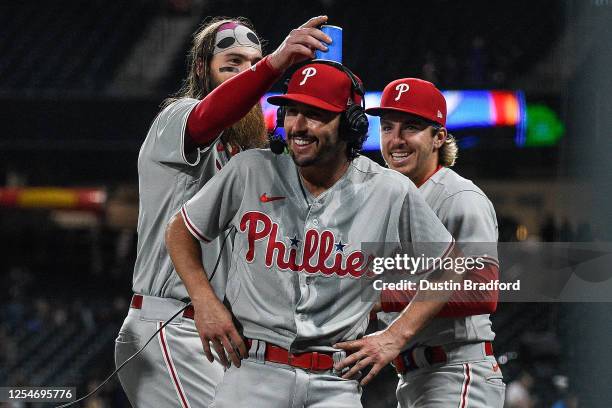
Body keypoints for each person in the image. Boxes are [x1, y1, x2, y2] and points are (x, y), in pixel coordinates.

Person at [164, 59, 463, 407]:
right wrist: (204, 301)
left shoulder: (389, 190)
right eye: (291, 111)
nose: (298, 126)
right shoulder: (251, 169)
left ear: (351, 125)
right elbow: (180, 230)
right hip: (253, 371)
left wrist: (396, 336)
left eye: (316, 114)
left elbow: (450, 265)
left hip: (335, 382)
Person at [114, 15, 333, 408]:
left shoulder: (250, 157)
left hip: (220, 335)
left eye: (251, 63)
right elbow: (212, 115)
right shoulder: (178, 117)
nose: (243, 74)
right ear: (202, 69)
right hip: (172, 325)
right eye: (231, 65)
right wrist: (274, 64)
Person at [354, 78, 505, 407]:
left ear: (439, 137)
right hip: (411, 376)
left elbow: (481, 291)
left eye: (411, 127)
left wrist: (382, 297)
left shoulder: (459, 197)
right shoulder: (386, 201)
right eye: (387, 128)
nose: (396, 140)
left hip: (456, 370)